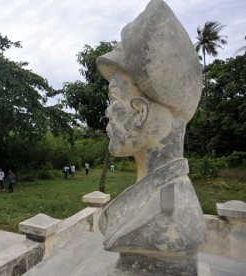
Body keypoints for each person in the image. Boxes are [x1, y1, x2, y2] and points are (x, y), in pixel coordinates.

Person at [96, 0, 206, 273]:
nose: (108, 112)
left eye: (113, 99)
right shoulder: (154, 193)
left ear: (140, 113)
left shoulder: (172, 214)